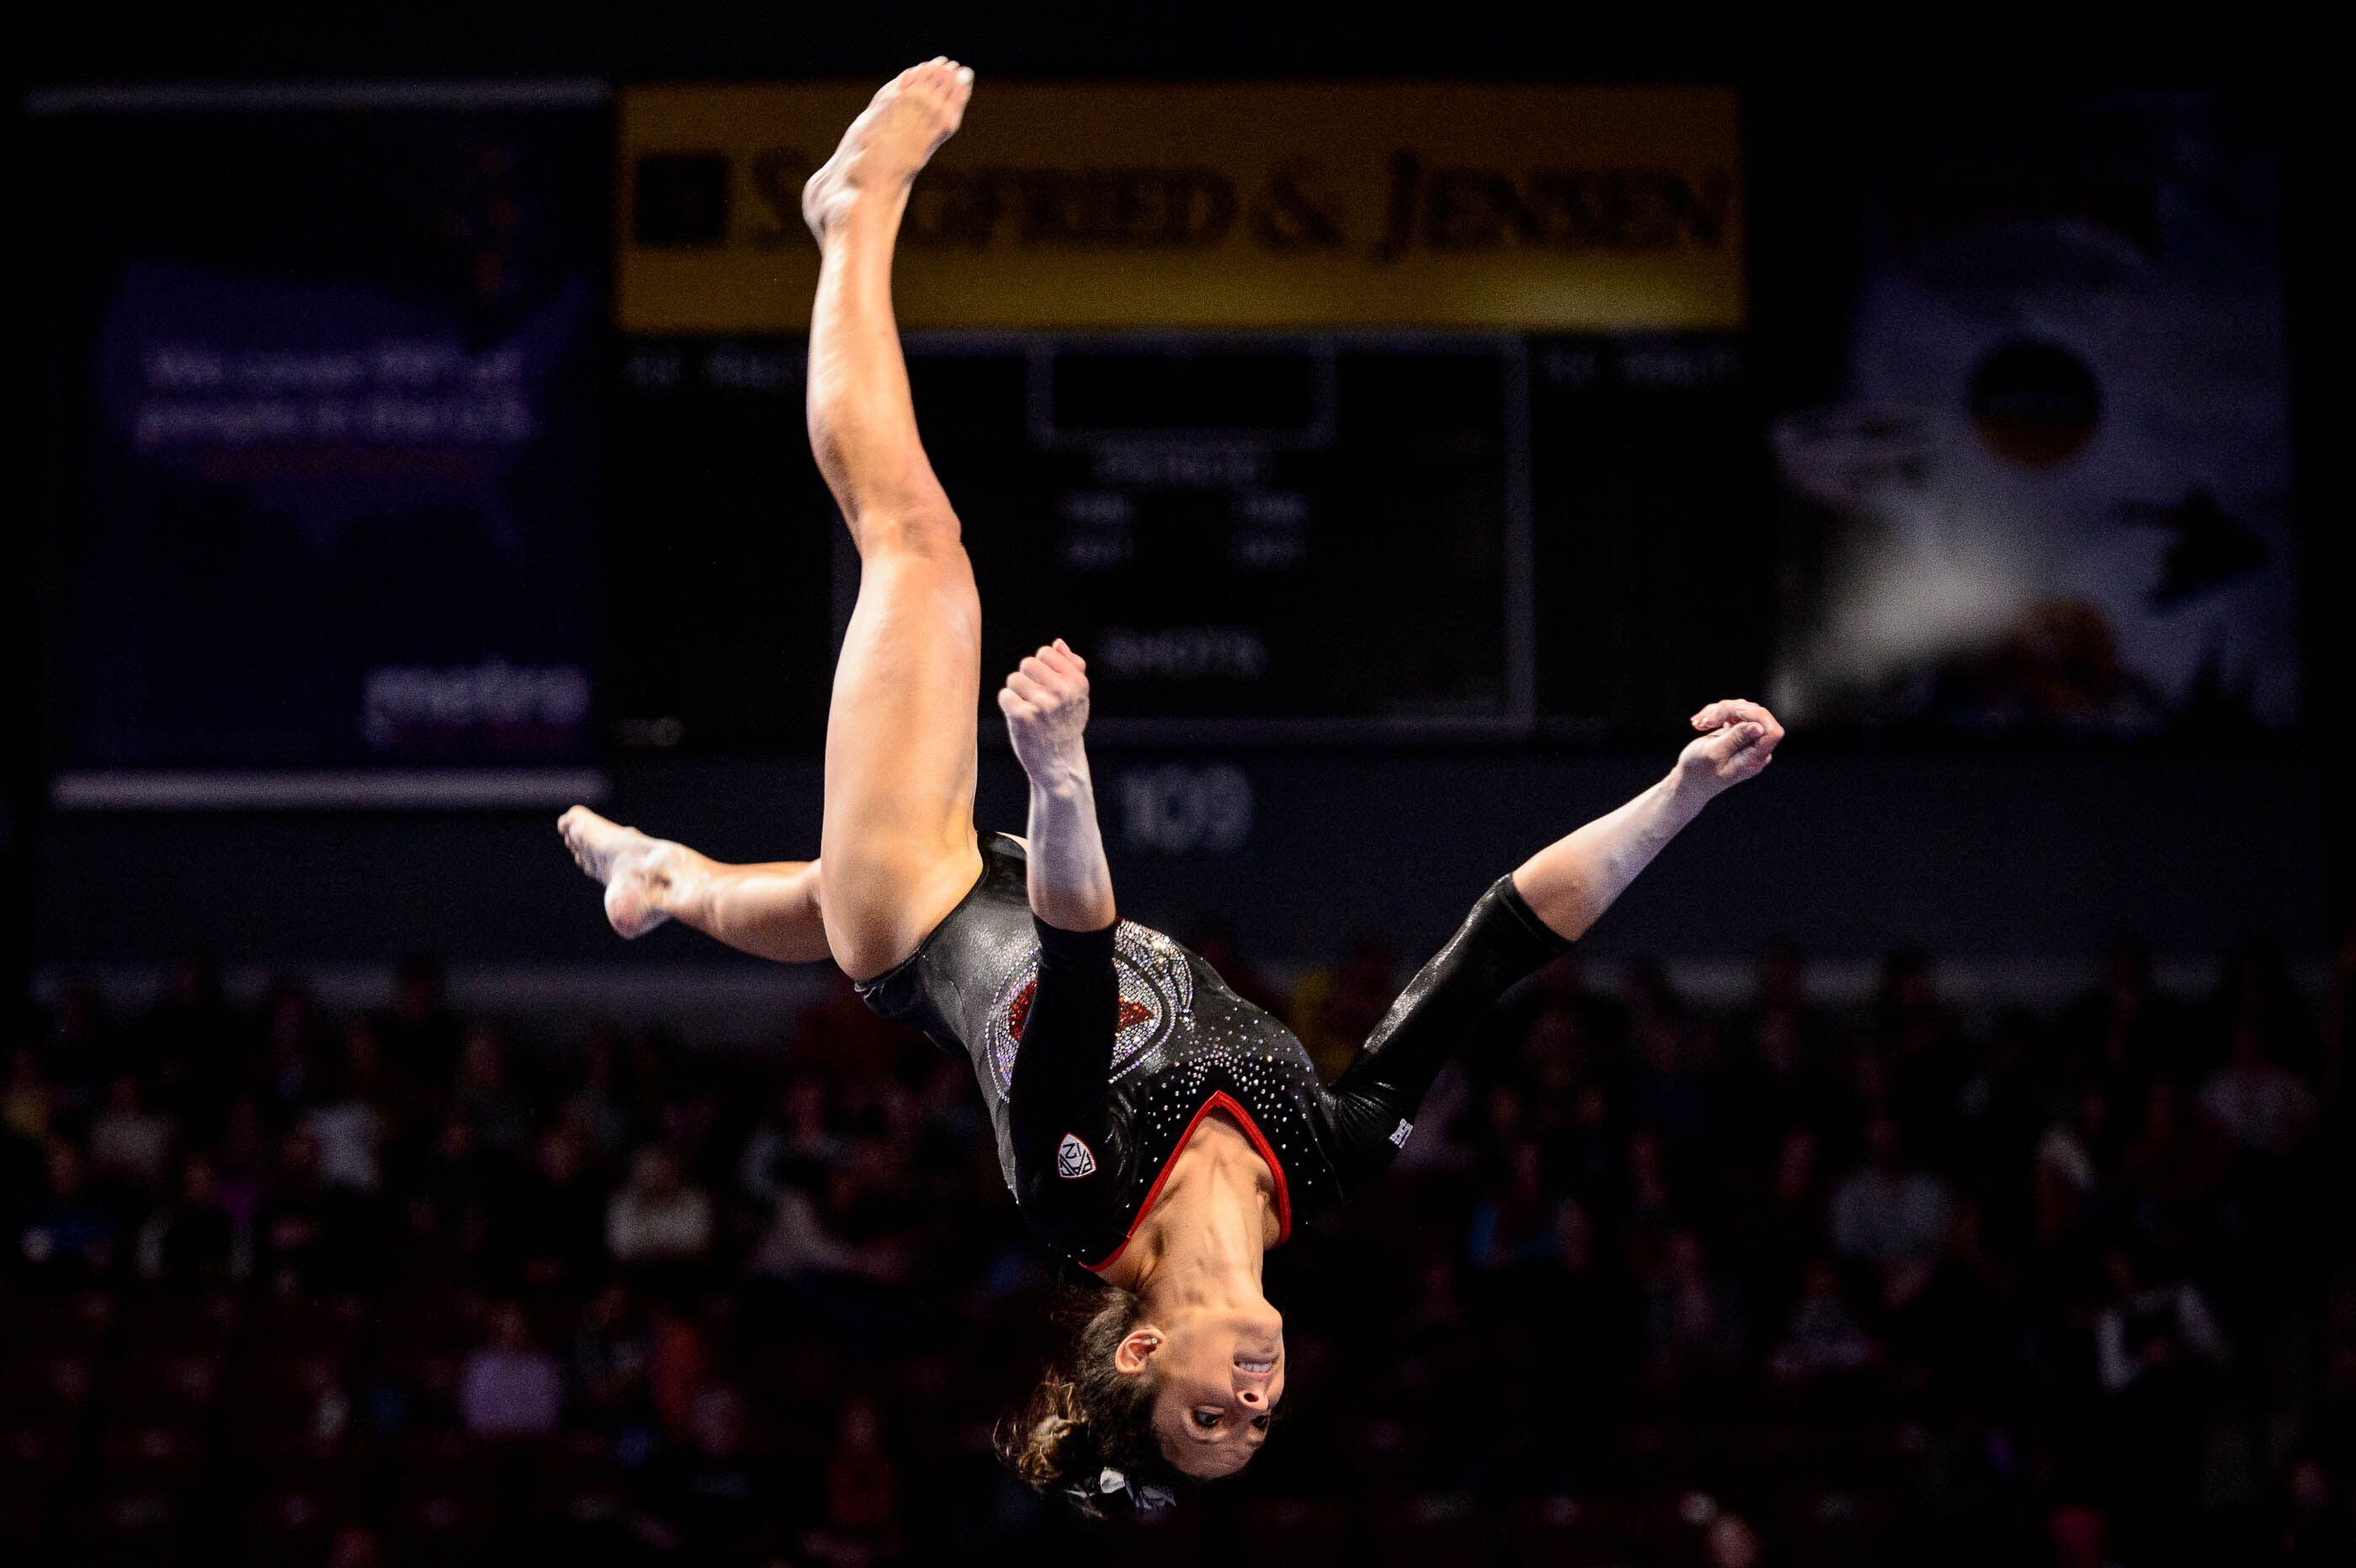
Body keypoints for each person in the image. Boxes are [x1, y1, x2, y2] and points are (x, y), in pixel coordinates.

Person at [555, 59, 1786, 1512]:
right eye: (1254, 1431)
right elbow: (1498, 946)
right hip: (986, 888)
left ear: (1142, 1350)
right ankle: (669, 878)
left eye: (1208, 1419)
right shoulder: (1322, 1161)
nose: (1252, 1408)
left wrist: (1063, 773)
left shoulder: (1084, 1196)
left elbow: (1077, 970)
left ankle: (851, 213)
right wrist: (1683, 796)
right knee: (794, 887)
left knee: (915, 545)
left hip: (923, 906)